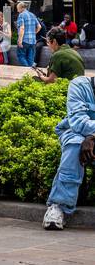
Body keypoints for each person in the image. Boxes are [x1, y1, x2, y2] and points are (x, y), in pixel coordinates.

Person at [44, 74, 95, 230]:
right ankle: (58, 206)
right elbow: (78, 121)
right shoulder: (79, 85)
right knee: (75, 145)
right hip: (74, 132)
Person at [15, 1, 38, 68]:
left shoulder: (21, 15)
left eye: (17, 8)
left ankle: (27, 70)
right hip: (33, 40)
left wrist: (20, 40)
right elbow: (39, 26)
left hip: (24, 40)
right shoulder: (32, 14)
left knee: (21, 56)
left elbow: (22, 28)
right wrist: (33, 33)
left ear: (21, 8)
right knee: (30, 58)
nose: (17, 10)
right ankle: (30, 74)